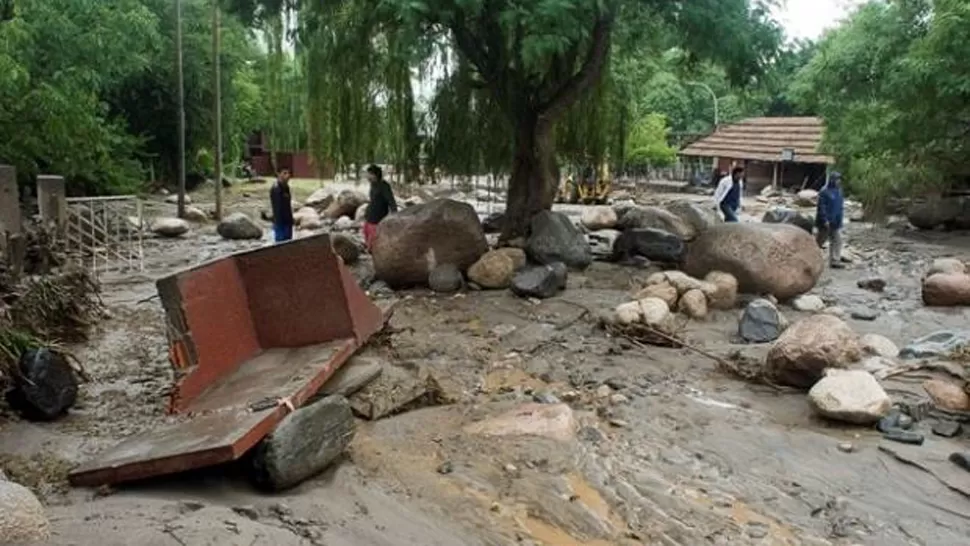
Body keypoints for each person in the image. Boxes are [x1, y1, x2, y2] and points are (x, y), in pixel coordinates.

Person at [362, 164, 397, 250]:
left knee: (374, 241)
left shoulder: (384, 186)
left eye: (368, 174)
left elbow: (391, 201)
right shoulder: (373, 185)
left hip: (378, 218)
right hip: (370, 216)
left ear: (374, 175)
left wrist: (395, 216)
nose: (366, 176)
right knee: (366, 235)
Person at [815, 171, 845, 268]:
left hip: (835, 221)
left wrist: (840, 220)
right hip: (825, 222)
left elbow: (840, 207)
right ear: (832, 180)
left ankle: (835, 261)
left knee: (837, 240)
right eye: (836, 179)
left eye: (839, 179)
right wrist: (824, 219)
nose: (838, 181)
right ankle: (810, 255)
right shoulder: (824, 191)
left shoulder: (839, 191)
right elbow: (821, 207)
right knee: (820, 241)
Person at [269, 168, 294, 243]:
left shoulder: (286, 187)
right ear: (279, 174)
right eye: (284, 173)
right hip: (280, 222)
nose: (288, 175)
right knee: (281, 243)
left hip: (288, 221)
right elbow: (277, 207)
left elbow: (288, 204)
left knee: (289, 242)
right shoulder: (276, 188)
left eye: (288, 173)